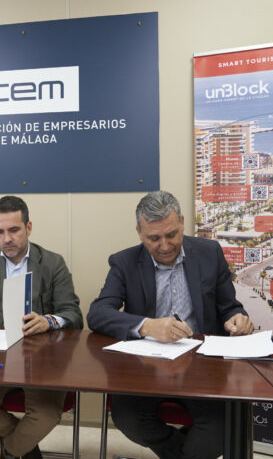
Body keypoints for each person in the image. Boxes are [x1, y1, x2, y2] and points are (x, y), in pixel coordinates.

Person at [87, 190, 254, 459]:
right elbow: (97, 314)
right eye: (154, 238)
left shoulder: (209, 253)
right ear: (139, 233)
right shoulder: (124, 262)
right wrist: (147, 326)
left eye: (171, 235)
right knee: (128, 417)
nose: (164, 246)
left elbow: (229, 307)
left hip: (203, 366)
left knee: (220, 429)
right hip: (146, 366)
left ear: (182, 223)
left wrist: (237, 318)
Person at [0, 195, 83, 459]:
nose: (6, 239)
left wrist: (49, 320)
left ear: (28, 228)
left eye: (14, 230)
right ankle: (25, 450)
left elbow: (73, 314)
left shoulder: (53, 263)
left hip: (43, 360)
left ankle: (11, 451)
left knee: (45, 414)